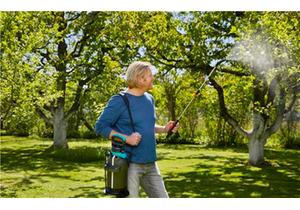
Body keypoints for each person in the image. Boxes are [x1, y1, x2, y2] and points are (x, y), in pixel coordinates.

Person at [95, 61, 179, 198]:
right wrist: (126, 139)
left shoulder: (149, 99)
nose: (153, 78)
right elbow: (100, 127)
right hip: (129, 165)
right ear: (140, 79)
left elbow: (146, 126)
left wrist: (164, 129)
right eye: (150, 75)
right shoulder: (119, 101)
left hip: (150, 163)